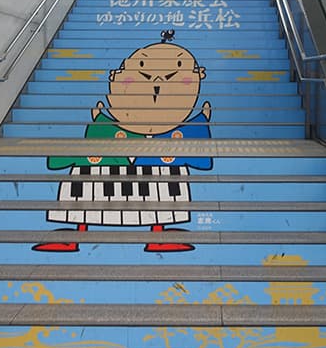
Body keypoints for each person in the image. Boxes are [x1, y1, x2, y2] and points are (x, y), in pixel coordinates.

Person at [33, 36, 212, 253]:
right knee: (84, 187)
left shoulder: (180, 132)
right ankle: (77, 231)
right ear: (115, 78)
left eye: (170, 78)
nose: (156, 83)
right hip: (101, 174)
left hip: (159, 174)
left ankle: (157, 231)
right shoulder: (106, 125)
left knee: (164, 191)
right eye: (143, 74)